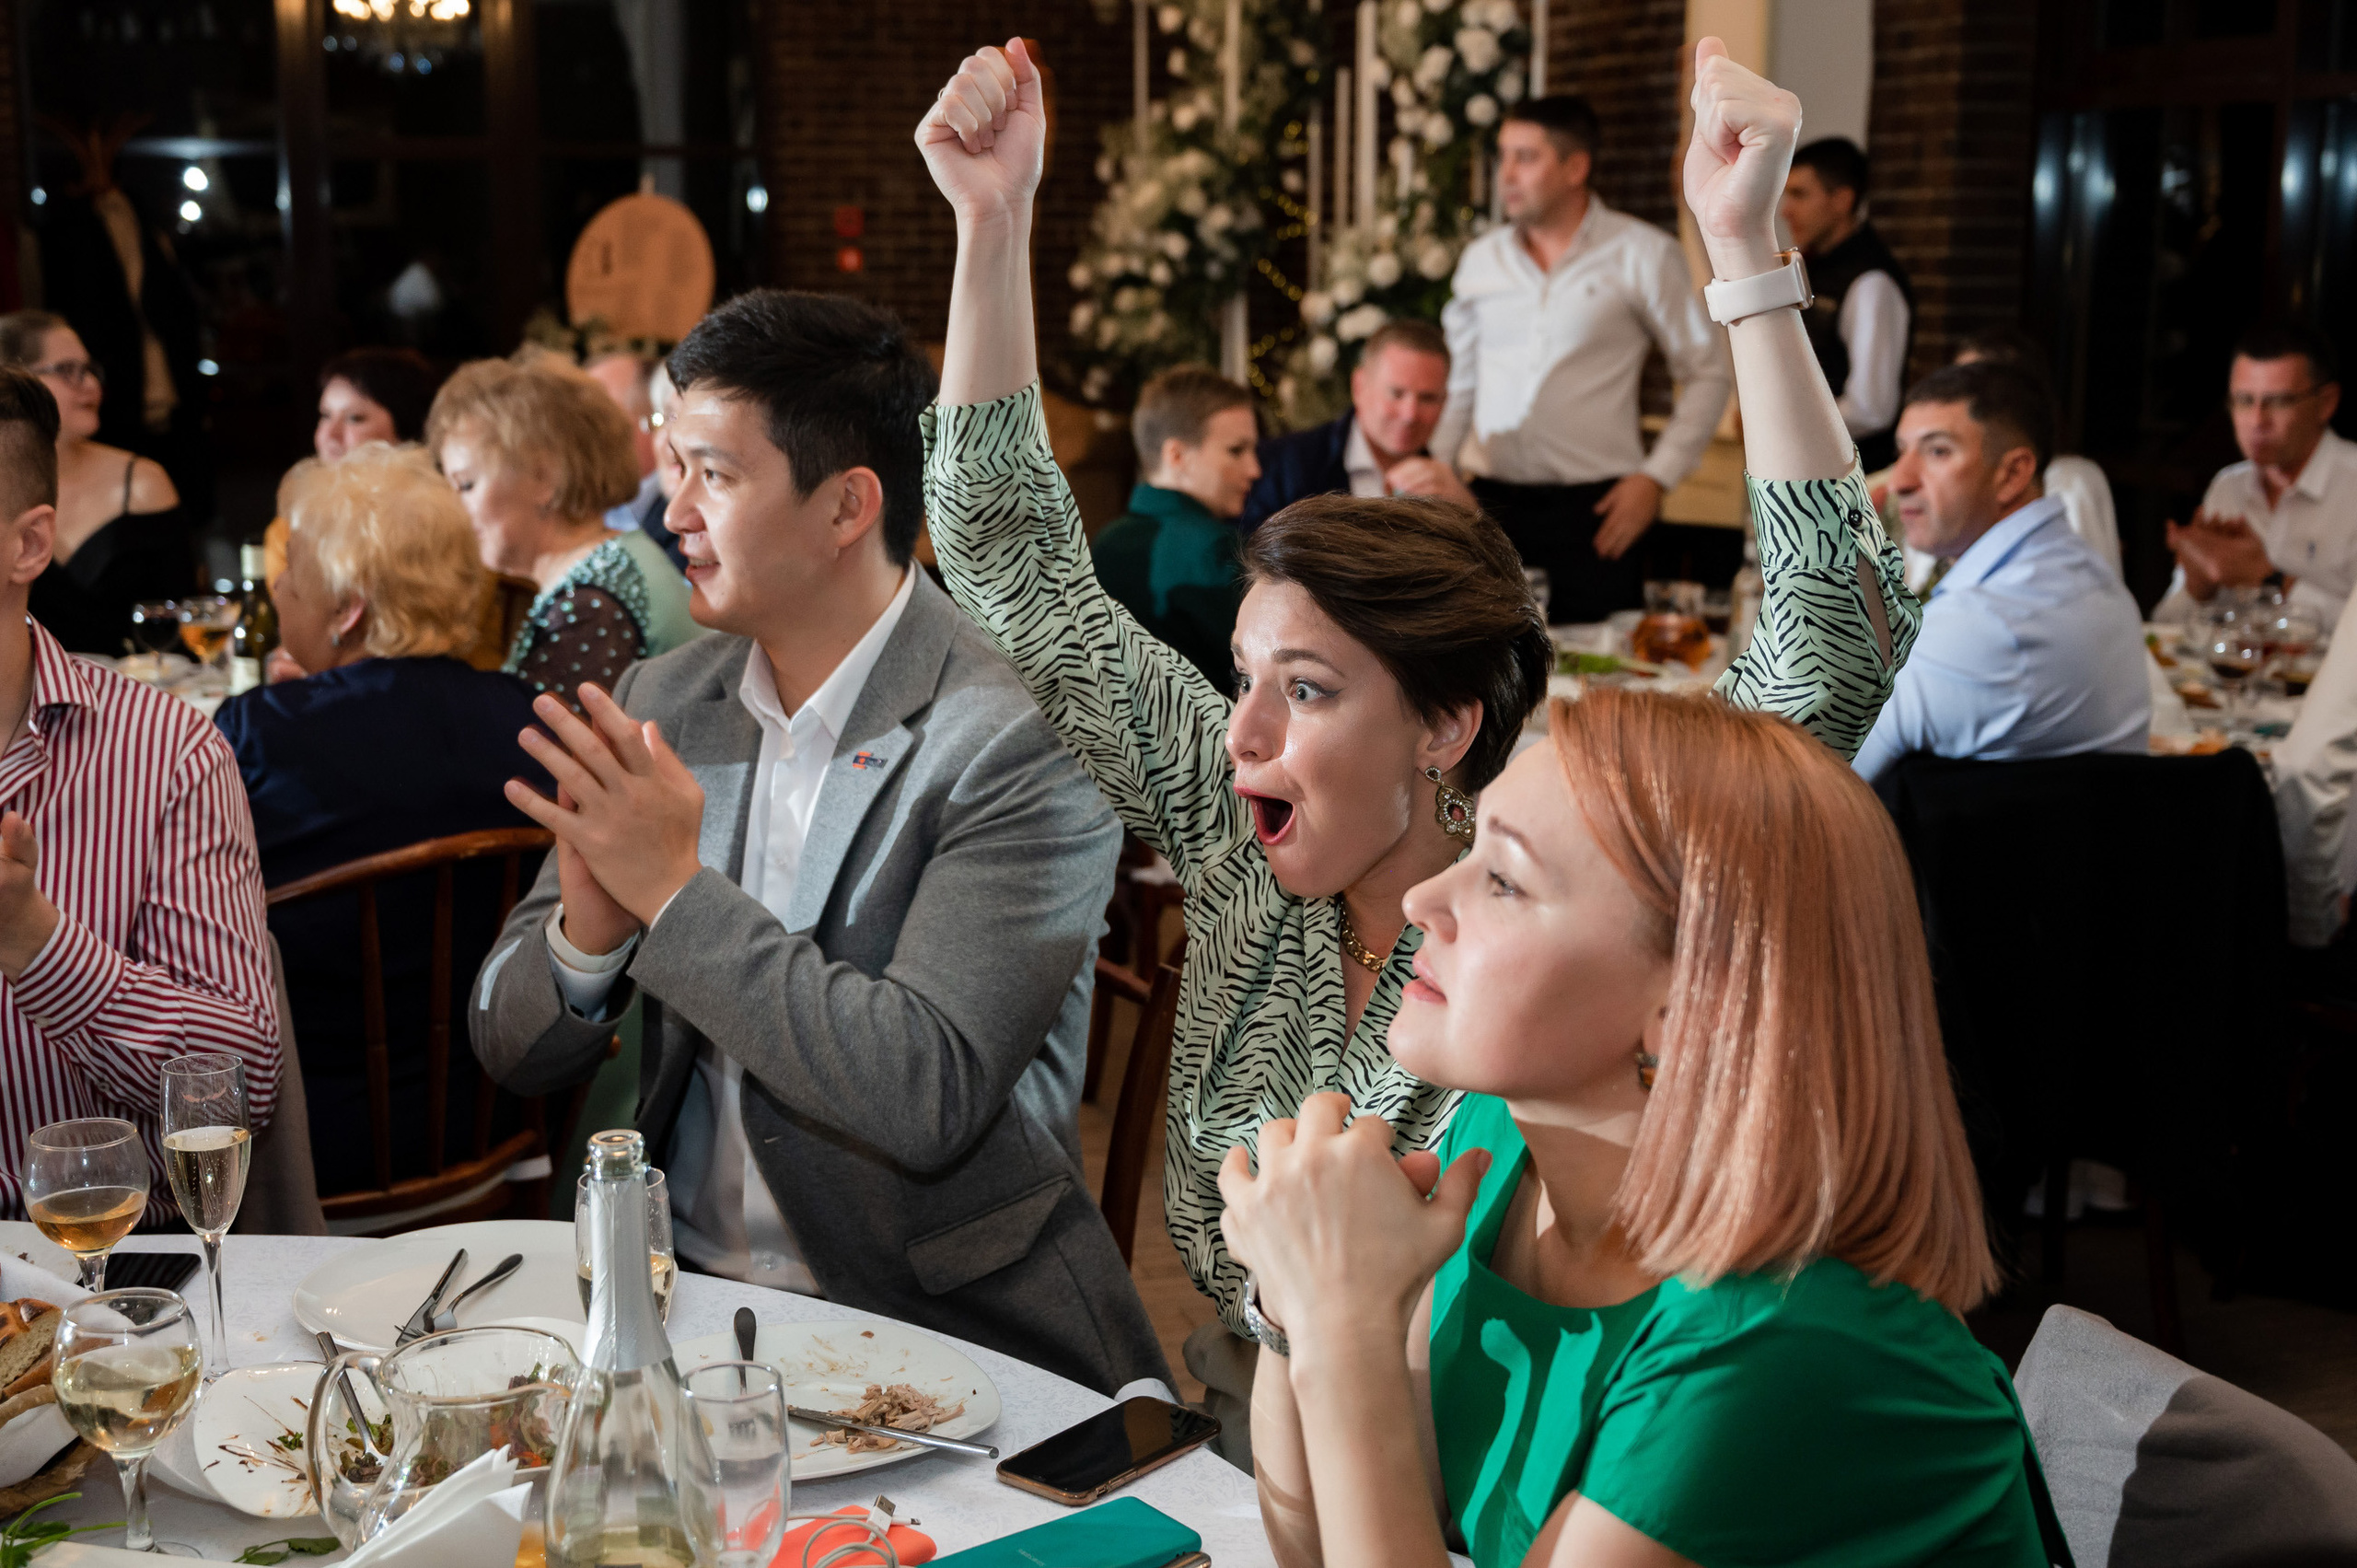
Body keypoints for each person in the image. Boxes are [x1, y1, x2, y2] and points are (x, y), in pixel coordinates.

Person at [915, 33, 1914, 1462]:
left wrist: (1746, 256)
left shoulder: (1570, 871)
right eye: (1245, 676)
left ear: (1446, 726)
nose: (1241, 730)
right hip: (1247, 1419)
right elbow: (1013, 559)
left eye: (1307, 691)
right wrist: (993, 221)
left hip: (1513, 1448)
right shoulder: (1241, 824)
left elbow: (1831, 644)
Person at [467, 288, 1165, 1395]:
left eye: (716, 475)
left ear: (846, 508)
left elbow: (923, 1092)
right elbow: (511, 1048)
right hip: (670, 1308)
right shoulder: (666, 697)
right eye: (673, 468)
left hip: (938, 1336)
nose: (670, 515)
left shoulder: (1015, 737)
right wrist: (589, 935)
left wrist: (674, 895)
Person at [1222, 684, 2052, 1568]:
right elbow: (1343, 1543)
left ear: (1680, 1006)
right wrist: (1297, 1301)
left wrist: (1344, 1325)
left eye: (1504, 878)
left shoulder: (1773, 1340)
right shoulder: (1507, 1145)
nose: (1424, 895)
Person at [215, 445, 549, 1197]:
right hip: (503, 1123)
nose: (277, 584)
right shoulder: (531, 719)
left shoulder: (258, 735)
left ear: (349, 609)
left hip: (308, 1154)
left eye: (292, 565)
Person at [0, 366, 281, 1224]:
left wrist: (34, 940)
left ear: (28, 546)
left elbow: (240, 1086)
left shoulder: (165, 753)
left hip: (113, 1287)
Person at [1428, 95, 1732, 623]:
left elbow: (1708, 372)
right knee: (1482, 670)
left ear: (1576, 167)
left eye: (1526, 157)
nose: (1507, 175)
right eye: (1504, 157)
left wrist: (1656, 479)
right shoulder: (1481, 260)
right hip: (1487, 505)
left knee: (1597, 678)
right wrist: (1436, 470)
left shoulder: (1643, 253)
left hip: (1597, 511)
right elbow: (1461, 385)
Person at [1852, 361, 2149, 785]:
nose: (1900, 480)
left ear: (2011, 474)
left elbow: (1823, 782)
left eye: (1937, 451)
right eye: (1903, 451)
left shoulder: (1982, 623)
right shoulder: (2098, 583)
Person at [427, 354, 702, 708]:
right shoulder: (605, 569)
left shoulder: (593, 603)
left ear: (545, 479)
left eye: (466, 485)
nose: (453, 505)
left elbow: (527, 755)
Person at [0, 311, 186, 655]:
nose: (92, 385)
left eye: (89, 370)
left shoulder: (144, 483)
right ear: (15, 378)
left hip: (135, 697)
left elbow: (180, 624)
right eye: (68, 371)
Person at [2159, 323, 2357, 625]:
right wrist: (2199, 587)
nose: (2256, 420)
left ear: (2326, 403)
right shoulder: (2229, 485)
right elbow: (2162, 630)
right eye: (2244, 400)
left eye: (2278, 401)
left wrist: (2269, 578)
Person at [1090, 365, 1259, 691]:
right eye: (1236, 451)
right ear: (1177, 455)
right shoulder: (1213, 549)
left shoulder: (1105, 542)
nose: (1254, 469)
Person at [1237, 319, 1473, 531]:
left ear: (1445, 402)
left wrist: (1468, 515)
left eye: (1428, 398)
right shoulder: (1281, 466)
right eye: (1396, 393)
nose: (1410, 414)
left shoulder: (1452, 489)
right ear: (1359, 386)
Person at [1782, 136, 1914, 472]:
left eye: (1799, 194)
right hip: (1806, 469)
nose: (1785, 209)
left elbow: (1872, 408)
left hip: (1849, 487)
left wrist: (1782, 423)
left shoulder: (1871, 282)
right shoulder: (1812, 266)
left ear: (1842, 200)